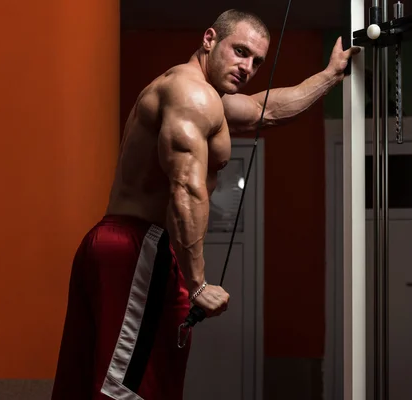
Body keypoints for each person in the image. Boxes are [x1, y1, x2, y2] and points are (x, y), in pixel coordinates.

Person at [51, 9, 359, 400]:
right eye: (240, 51)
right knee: (129, 389)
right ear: (210, 39)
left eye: (257, 61)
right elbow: (186, 186)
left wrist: (330, 75)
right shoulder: (192, 96)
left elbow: (271, 108)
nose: (247, 67)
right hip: (137, 247)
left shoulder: (203, 97)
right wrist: (197, 285)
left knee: (91, 381)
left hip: (116, 243)